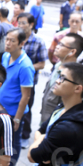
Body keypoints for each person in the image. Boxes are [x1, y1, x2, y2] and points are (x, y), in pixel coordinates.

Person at [28, 62, 83, 166]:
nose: (57, 81)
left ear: (78, 88)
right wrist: (43, 140)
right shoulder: (63, 107)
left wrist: (42, 139)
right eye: (59, 76)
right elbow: (41, 130)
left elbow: (31, 156)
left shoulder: (68, 128)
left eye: (63, 78)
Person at [0, 28, 35, 166]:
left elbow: (25, 97)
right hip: (0, 107)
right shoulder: (6, 56)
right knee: (1, 137)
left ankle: (12, 165)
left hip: (14, 112)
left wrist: (17, 118)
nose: (7, 43)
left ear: (21, 43)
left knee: (14, 140)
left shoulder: (25, 66)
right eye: (7, 39)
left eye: (12, 41)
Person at [40, 33, 83, 124]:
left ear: (72, 52)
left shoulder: (78, 76)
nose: (57, 46)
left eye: (61, 45)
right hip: (46, 122)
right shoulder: (58, 65)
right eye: (58, 43)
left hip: (59, 125)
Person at [17, 13, 48, 149]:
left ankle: (24, 135)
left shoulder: (39, 41)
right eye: (19, 23)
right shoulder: (15, 38)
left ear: (31, 25)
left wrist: (25, 68)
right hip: (13, 81)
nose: (20, 26)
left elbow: (42, 64)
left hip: (28, 83)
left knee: (26, 109)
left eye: (23, 23)